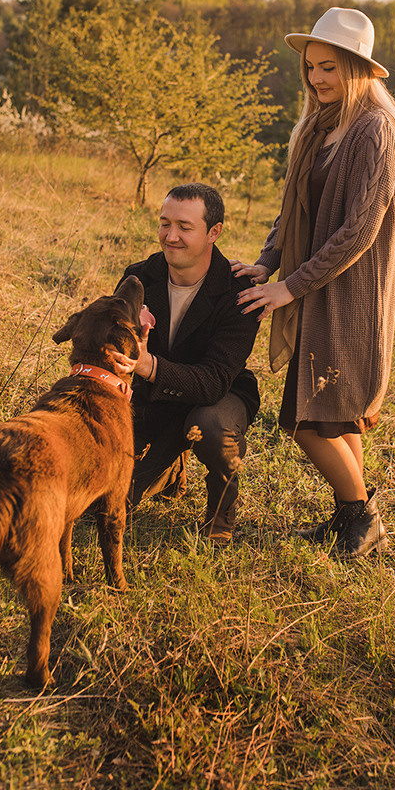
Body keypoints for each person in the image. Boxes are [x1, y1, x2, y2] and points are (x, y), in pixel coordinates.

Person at [232, 7, 395, 557]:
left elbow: (359, 231)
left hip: (351, 295)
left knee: (309, 419)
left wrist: (289, 286)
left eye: (328, 67)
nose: (315, 78)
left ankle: (362, 516)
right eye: (310, 67)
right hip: (315, 286)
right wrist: (268, 262)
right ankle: (348, 516)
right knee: (335, 414)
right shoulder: (320, 125)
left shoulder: (376, 130)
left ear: (356, 68)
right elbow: (294, 210)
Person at [117, 183, 260, 544]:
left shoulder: (239, 292)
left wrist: (148, 365)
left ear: (214, 232)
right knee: (108, 502)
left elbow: (214, 380)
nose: (171, 236)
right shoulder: (139, 277)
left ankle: (221, 513)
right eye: (165, 223)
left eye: (184, 227)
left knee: (210, 426)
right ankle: (167, 471)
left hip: (218, 398)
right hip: (154, 398)